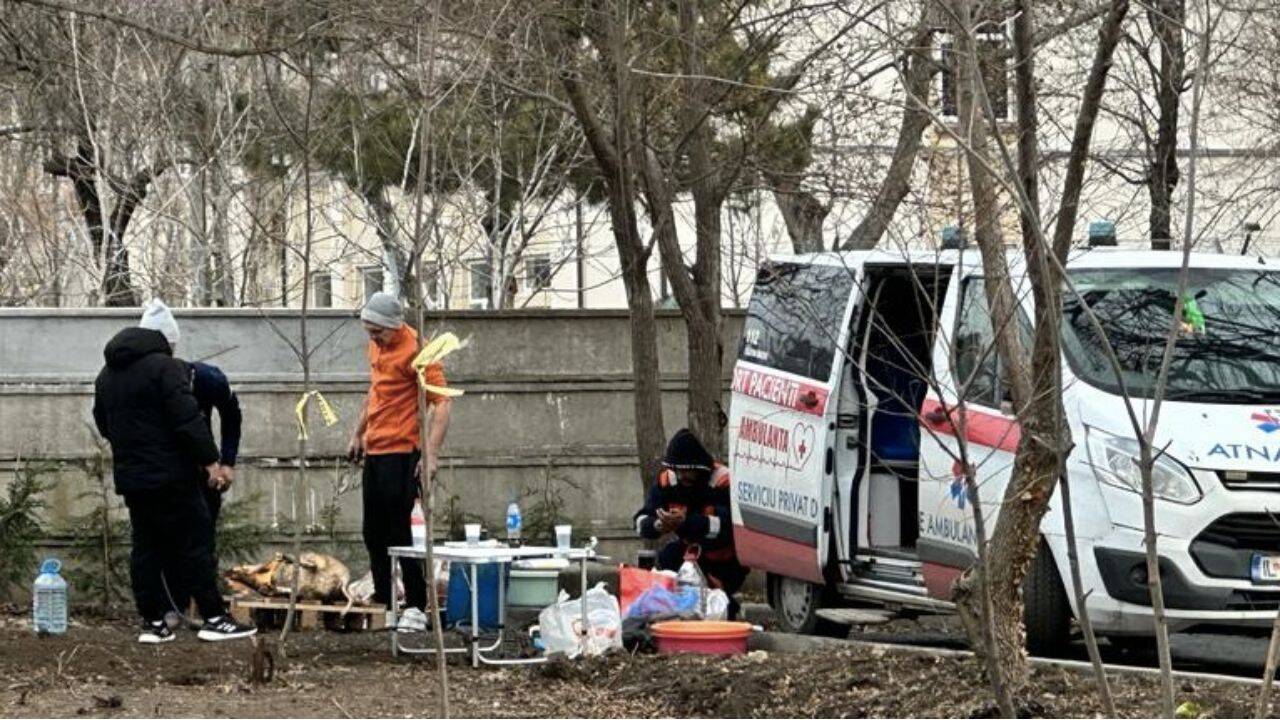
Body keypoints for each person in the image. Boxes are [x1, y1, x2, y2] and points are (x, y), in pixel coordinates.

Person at [92, 299, 256, 644]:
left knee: (146, 547)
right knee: (195, 542)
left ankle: (153, 624)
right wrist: (212, 462)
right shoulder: (166, 369)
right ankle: (214, 617)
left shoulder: (106, 375)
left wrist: (133, 450)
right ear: (168, 341)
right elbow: (187, 420)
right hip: (173, 477)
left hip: (133, 479)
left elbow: (104, 423)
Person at [348, 292, 452, 633]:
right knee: (372, 532)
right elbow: (375, 392)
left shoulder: (420, 351)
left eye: (377, 331)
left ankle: (417, 606)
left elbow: (443, 404)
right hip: (375, 450)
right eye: (368, 331)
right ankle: (386, 601)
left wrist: (430, 453)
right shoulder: (376, 346)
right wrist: (357, 432)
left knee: (398, 532)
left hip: (401, 451)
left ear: (394, 326)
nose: (372, 338)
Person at [634, 428, 748, 618]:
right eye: (678, 470)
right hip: (689, 553)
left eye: (688, 471)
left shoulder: (721, 481)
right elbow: (640, 521)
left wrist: (687, 522)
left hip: (724, 560)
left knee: (713, 599)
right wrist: (658, 525)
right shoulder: (667, 483)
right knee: (668, 559)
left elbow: (728, 528)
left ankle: (726, 610)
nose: (682, 476)